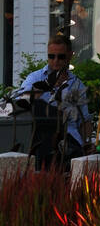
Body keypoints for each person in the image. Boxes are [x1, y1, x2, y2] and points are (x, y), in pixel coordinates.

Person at [14, 30, 91, 164]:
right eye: (51, 56)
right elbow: (21, 103)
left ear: (70, 56)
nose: (55, 61)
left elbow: (84, 121)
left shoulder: (77, 85)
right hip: (40, 138)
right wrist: (44, 86)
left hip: (69, 141)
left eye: (60, 57)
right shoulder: (35, 78)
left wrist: (87, 143)